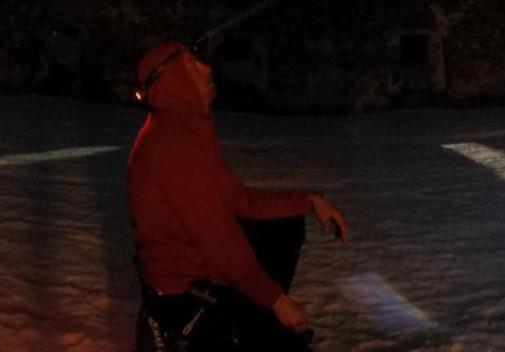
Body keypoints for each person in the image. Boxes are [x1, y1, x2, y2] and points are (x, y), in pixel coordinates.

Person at [127, 40, 349, 351]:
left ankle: (257, 323)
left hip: (204, 275)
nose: (208, 69)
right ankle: (176, 329)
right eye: (192, 65)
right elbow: (219, 242)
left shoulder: (185, 129)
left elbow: (240, 200)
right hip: (182, 295)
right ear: (172, 82)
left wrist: (309, 200)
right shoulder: (172, 144)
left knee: (284, 225)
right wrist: (276, 301)